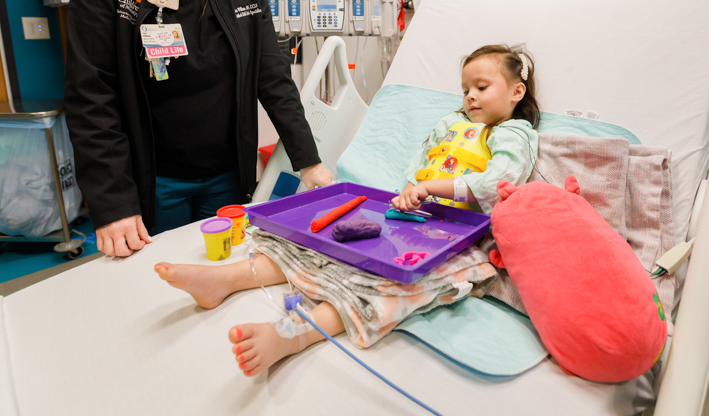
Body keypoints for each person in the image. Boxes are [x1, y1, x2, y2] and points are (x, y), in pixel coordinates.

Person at [154, 44, 540, 376]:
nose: (470, 96)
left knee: (385, 289)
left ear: (516, 91)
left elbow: (497, 183)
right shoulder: (451, 124)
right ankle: (230, 278)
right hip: (412, 219)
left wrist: (428, 188)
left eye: (482, 87)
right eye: (465, 89)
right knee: (325, 247)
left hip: (463, 240)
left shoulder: (515, 134)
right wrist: (409, 191)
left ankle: (292, 334)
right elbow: (421, 163)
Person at [64, 0, 331, 258]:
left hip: (227, 177)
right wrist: (112, 201)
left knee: (221, 277)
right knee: (160, 285)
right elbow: (92, 94)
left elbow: (274, 79)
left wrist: (309, 161)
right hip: (153, 181)